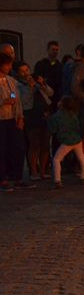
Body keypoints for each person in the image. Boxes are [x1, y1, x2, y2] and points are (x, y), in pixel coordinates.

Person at [14, 61, 52, 182]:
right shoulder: (17, 85)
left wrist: (42, 83)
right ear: (18, 73)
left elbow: (50, 93)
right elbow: (23, 102)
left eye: (27, 70)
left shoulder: (36, 82)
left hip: (45, 115)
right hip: (31, 116)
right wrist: (30, 88)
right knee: (34, 144)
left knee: (45, 144)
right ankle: (33, 170)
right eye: (22, 71)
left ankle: (43, 170)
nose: (25, 73)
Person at [47, 95, 84, 188]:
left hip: (66, 141)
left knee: (56, 159)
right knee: (81, 157)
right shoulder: (73, 115)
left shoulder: (57, 116)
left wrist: (47, 119)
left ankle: (57, 180)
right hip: (77, 139)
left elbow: (53, 129)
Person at [0, 52, 25, 192]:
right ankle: (3, 178)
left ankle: (17, 177)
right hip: (1, 119)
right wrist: (3, 101)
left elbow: (17, 98)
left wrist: (20, 117)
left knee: (17, 148)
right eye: (7, 64)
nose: (9, 67)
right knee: (2, 149)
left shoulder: (11, 81)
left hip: (12, 118)